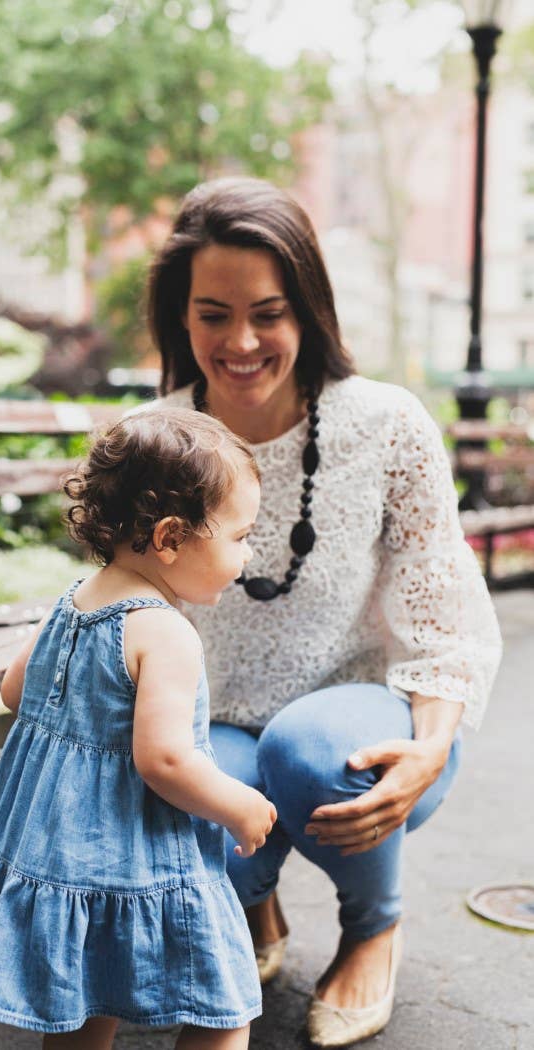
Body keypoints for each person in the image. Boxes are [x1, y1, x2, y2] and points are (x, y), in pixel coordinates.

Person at [146, 176, 502, 1047]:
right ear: (179, 319)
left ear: (307, 308)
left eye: (267, 312)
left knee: (308, 749)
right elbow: (119, 610)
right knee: (183, 805)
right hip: (210, 724)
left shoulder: (387, 423)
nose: (240, 341)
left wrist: (428, 746)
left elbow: (441, 606)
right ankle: (251, 903)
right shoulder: (152, 441)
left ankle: (374, 926)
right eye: (212, 313)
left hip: (356, 720)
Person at [0, 408, 278, 1050]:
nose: (248, 553)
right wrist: (240, 805)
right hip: (141, 854)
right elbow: (165, 762)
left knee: (84, 994)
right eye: (240, 536)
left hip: (63, 853)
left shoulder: (75, 598)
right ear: (170, 538)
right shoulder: (165, 632)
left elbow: (15, 692)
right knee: (224, 1004)